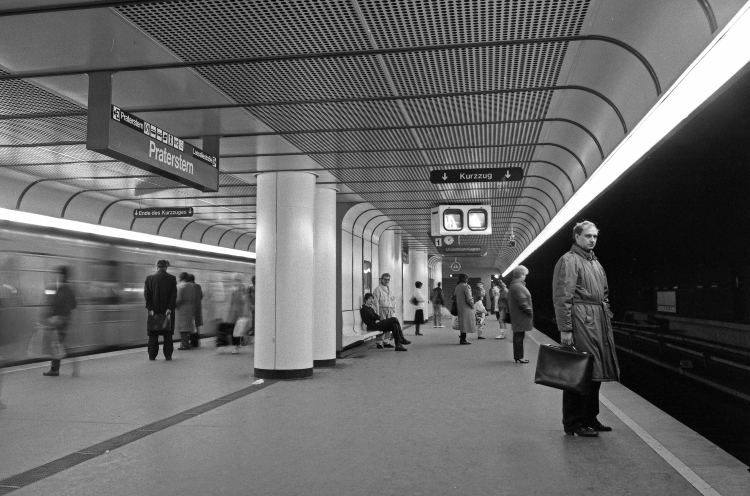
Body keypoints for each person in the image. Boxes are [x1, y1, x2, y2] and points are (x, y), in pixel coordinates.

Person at [553, 221, 620, 438]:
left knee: (595, 371)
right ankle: (574, 423)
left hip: (597, 320)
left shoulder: (595, 263)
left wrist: (605, 310)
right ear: (576, 237)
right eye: (588, 236)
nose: (592, 240)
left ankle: (591, 418)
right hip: (581, 319)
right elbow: (563, 296)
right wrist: (565, 328)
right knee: (579, 372)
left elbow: (604, 293)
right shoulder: (569, 260)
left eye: (595, 236)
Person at [42, 266, 78, 376]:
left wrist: (59, 316)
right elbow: (73, 304)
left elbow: (67, 304)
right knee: (58, 344)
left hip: (61, 321)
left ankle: (56, 369)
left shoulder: (65, 289)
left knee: (58, 344)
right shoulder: (62, 288)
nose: (55, 275)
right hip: (60, 319)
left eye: (57, 273)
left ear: (62, 275)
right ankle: (56, 368)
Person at [144, 260, 177, 361]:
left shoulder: (149, 278)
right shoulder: (172, 278)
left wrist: (150, 308)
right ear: (166, 267)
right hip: (167, 312)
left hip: (154, 312)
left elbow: (147, 294)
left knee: (153, 335)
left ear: (156, 267)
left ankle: (152, 356)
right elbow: (173, 295)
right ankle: (168, 355)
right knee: (167, 335)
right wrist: (169, 308)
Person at [507, 266, 532, 363]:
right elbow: (522, 302)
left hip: (517, 315)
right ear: (520, 275)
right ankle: (519, 356)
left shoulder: (514, 285)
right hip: (520, 315)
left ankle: (518, 356)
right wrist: (529, 311)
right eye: (524, 275)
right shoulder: (518, 286)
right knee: (519, 336)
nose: (525, 277)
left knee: (519, 335)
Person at [225, 274, 249, 354]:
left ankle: (237, 346)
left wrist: (244, 312)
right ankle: (237, 345)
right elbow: (230, 302)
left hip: (240, 312)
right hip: (233, 312)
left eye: (237, 280)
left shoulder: (243, 290)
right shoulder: (233, 289)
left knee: (237, 330)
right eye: (235, 280)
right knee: (233, 329)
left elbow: (245, 301)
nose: (236, 282)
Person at [372, 273, 397, 349]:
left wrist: (393, 308)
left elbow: (394, 300)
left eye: (388, 279)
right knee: (382, 325)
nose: (387, 281)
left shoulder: (390, 290)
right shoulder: (377, 289)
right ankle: (379, 342)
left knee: (389, 326)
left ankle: (386, 341)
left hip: (389, 309)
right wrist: (377, 313)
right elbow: (375, 302)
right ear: (381, 280)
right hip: (381, 309)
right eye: (385, 279)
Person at [175, 272, 196, 350]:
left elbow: (179, 299)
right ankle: (186, 343)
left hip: (183, 308)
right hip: (189, 307)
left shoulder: (181, 286)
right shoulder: (191, 286)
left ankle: (185, 344)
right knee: (187, 327)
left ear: (181, 278)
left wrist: (175, 305)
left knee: (183, 327)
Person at [454, 273, 476, 344]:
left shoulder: (457, 286)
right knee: (466, 323)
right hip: (466, 307)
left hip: (459, 307)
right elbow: (469, 298)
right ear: (465, 279)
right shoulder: (466, 286)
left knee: (462, 323)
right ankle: (463, 339)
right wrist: (472, 305)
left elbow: (454, 296)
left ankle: (462, 338)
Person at [188, 273, 203, 348]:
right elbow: (201, 296)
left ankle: (193, 342)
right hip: (198, 308)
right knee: (196, 326)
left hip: (191, 308)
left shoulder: (190, 286)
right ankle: (196, 342)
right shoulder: (198, 286)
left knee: (192, 326)